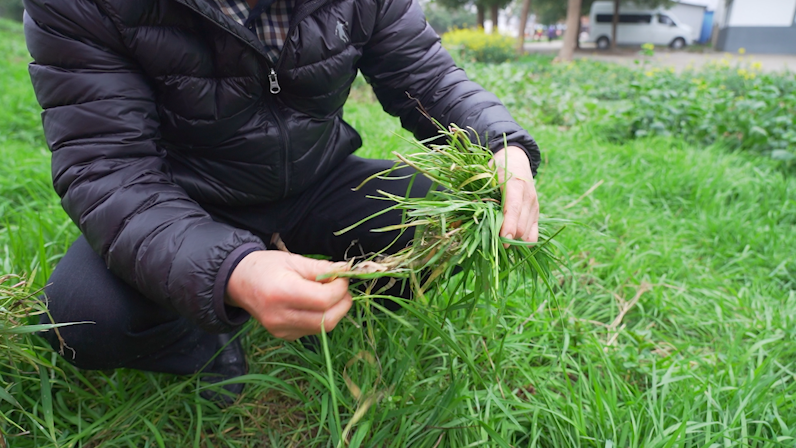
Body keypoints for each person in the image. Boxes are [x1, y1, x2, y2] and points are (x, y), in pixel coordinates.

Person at [23, 0, 540, 404]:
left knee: (447, 217)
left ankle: (343, 312)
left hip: (317, 177)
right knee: (82, 317)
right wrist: (230, 271)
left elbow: (426, 77)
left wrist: (498, 145)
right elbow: (110, 169)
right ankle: (201, 343)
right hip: (185, 198)